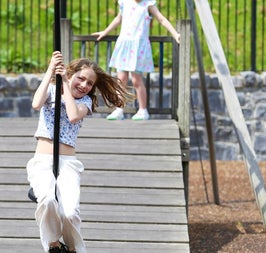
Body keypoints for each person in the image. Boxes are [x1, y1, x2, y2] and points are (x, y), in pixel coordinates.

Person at [26, 51, 130, 253]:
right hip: (43, 160)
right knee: (47, 201)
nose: (84, 85)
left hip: (67, 162)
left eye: (89, 83)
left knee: (70, 212)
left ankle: (73, 249)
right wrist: (51, 71)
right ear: (71, 73)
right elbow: (36, 103)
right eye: (80, 78)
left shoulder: (85, 103)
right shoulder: (51, 92)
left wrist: (65, 82)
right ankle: (53, 245)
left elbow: (72, 116)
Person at [92, 0, 180, 120]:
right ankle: (119, 109)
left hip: (138, 47)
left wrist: (175, 34)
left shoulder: (148, 4)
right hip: (124, 44)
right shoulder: (124, 3)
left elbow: (161, 19)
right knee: (121, 80)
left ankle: (143, 110)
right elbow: (118, 19)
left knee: (136, 80)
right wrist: (105, 31)